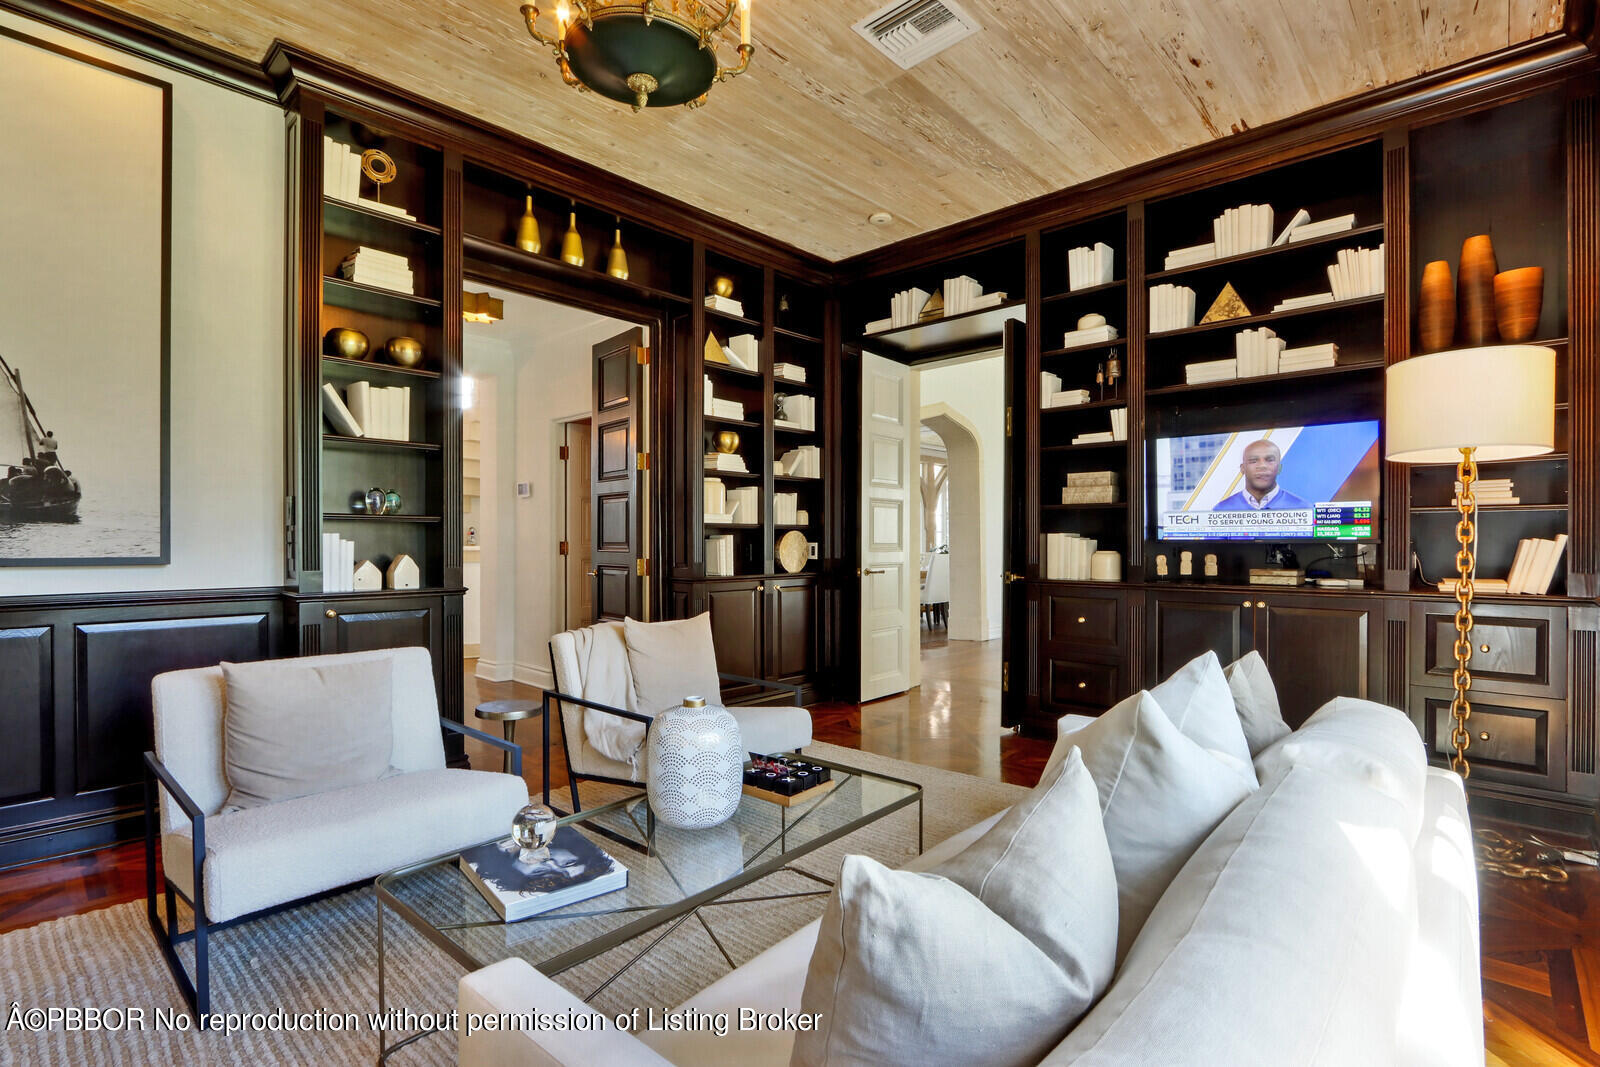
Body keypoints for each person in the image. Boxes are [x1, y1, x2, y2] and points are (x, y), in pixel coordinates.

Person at [1213, 438, 1312, 511]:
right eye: (1253, 461)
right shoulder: (1221, 510)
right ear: (1243, 469)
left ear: (1279, 468)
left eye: (1269, 460)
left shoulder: (1303, 508)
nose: (1262, 466)